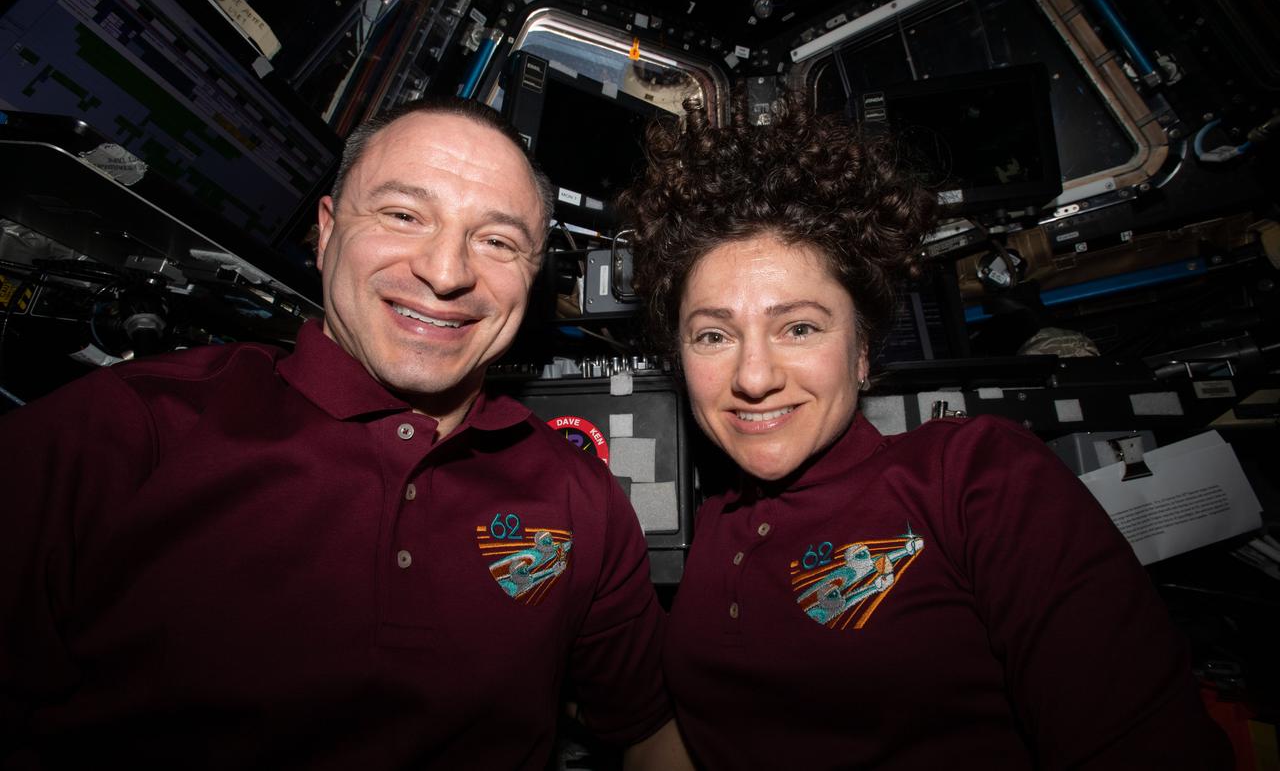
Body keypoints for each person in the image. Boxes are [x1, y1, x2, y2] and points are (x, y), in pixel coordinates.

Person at [0, 97, 683, 768]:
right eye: (403, 215)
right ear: (326, 233)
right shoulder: (125, 429)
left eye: (497, 241)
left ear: (532, 279)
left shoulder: (581, 498)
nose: (446, 272)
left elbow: (647, 729)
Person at [617, 96, 1232, 769]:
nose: (754, 376)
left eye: (799, 327)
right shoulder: (713, 526)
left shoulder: (975, 476)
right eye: (713, 335)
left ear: (861, 351)